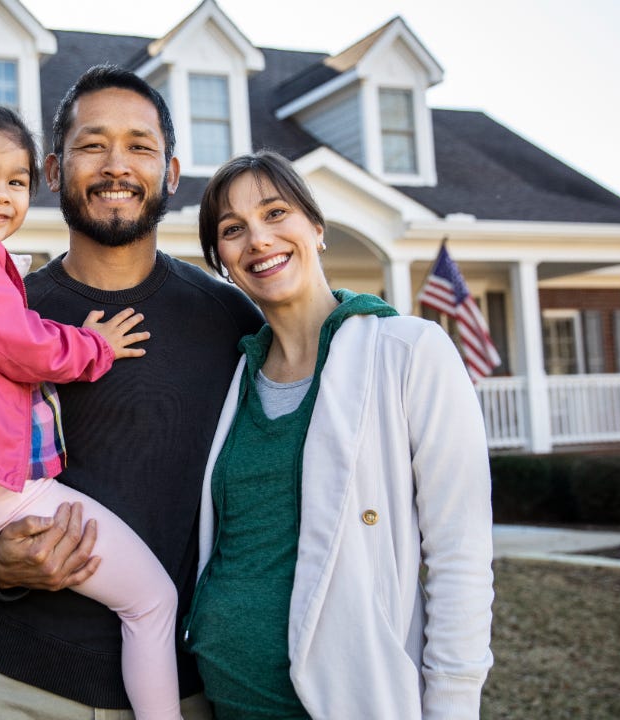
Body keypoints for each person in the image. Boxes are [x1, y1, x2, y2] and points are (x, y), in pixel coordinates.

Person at [0, 66, 262, 719]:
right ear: (53, 170)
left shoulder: (232, 320)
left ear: (171, 172)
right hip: (3, 682)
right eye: (93, 144)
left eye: (139, 145)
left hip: (179, 685)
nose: (117, 164)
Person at [183, 149, 495, 719]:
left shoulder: (408, 351)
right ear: (223, 262)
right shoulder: (234, 376)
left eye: (276, 213)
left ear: (316, 228)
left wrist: (452, 704)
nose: (258, 239)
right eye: (233, 229)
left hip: (344, 702)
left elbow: (460, 553)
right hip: (224, 700)